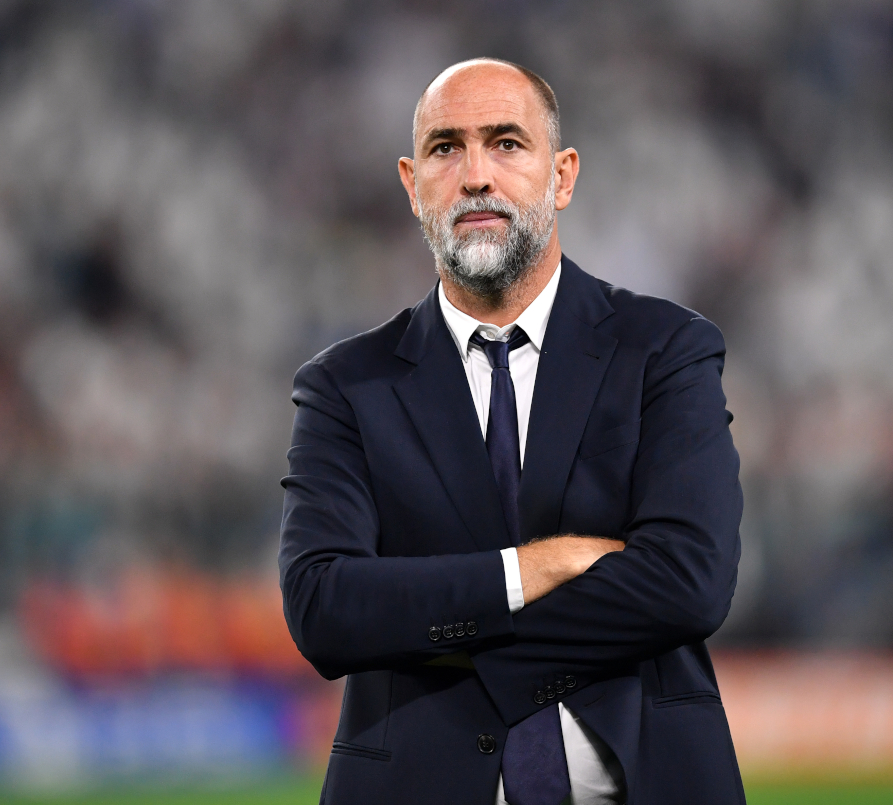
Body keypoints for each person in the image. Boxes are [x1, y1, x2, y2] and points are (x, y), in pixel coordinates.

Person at [279, 58, 745, 805]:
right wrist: (533, 568)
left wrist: (430, 621)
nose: (474, 176)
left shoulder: (665, 349)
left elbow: (690, 583)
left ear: (562, 175)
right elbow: (325, 608)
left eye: (505, 142)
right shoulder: (344, 386)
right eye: (444, 149)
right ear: (411, 184)